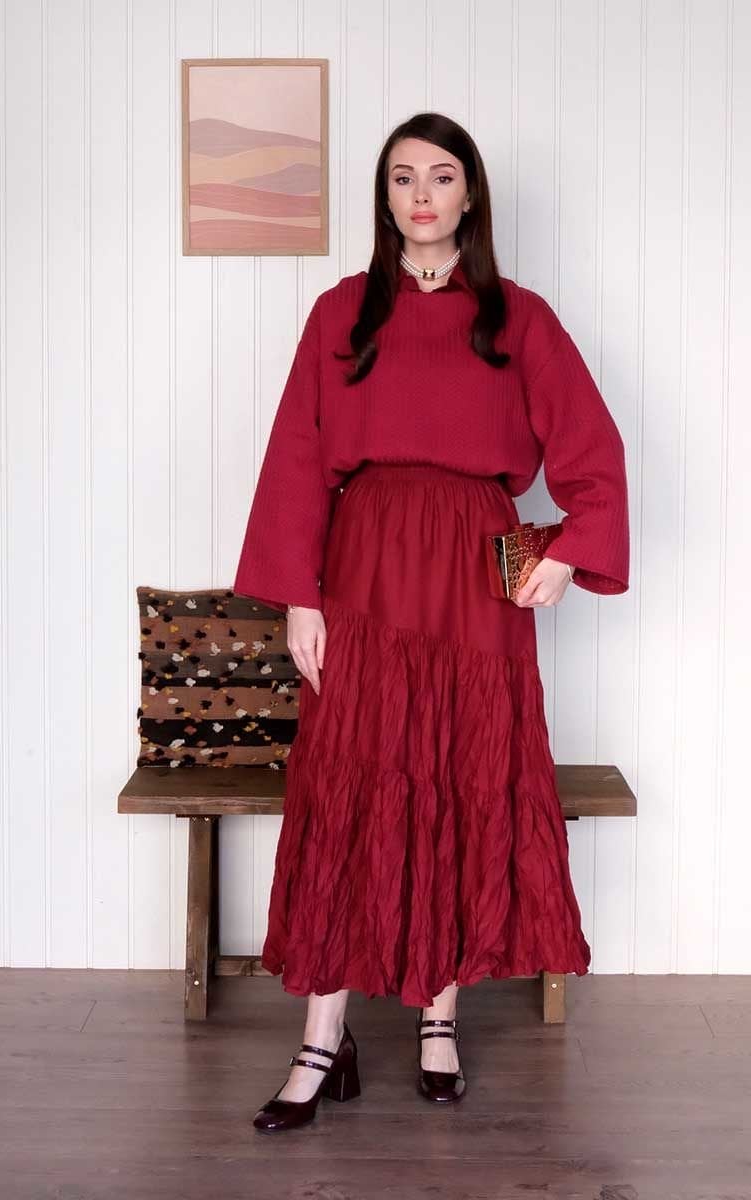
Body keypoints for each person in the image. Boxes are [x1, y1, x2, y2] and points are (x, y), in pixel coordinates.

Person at [232, 111, 630, 1133]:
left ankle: (438, 1017)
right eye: (403, 176)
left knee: (459, 774)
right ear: (384, 195)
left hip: (472, 575)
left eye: (441, 175)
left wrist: (569, 551)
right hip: (363, 565)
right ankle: (322, 1038)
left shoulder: (518, 318)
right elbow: (294, 455)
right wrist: (299, 596)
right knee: (349, 781)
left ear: (470, 194)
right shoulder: (341, 311)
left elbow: (591, 447)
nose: (421, 193)